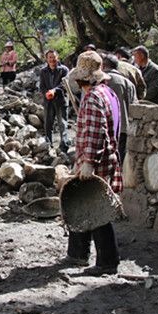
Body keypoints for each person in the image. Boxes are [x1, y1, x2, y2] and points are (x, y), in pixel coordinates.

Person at [62, 51, 123, 276]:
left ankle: (108, 261)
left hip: (96, 161)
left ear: (81, 79)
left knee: (97, 210)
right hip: (103, 157)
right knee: (82, 204)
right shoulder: (107, 92)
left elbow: (97, 132)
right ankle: (77, 253)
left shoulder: (93, 98)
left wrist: (89, 162)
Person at [101, 52, 137, 162]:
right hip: (123, 127)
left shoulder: (99, 82)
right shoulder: (128, 83)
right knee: (120, 158)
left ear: (103, 66)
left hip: (104, 126)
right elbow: (134, 106)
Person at [39, 49, 70, 151]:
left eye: (54, 57)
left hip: (61, 100)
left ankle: (64, 146)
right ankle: (48, 145)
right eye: (50, 57)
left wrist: (54, 91)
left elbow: (65, 84)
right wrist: (46, 93)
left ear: (58, 58)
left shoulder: (64, 70)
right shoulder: (43, 71)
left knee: (62, 124)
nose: (52, 59)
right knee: (48, 124)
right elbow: (42, 86)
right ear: (46, 59)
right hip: (48, 101)